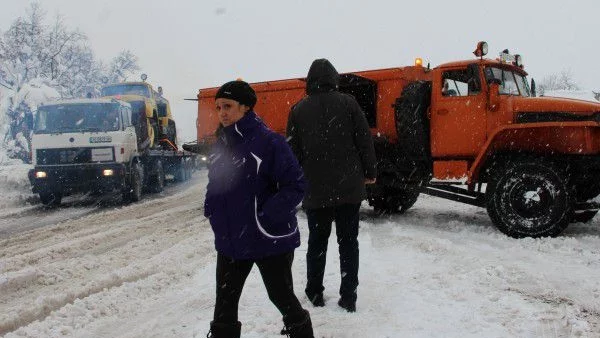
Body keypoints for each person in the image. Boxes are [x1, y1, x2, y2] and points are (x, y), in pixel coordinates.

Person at [204, 80, 314, 338]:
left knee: (282, 297)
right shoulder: (221, 145)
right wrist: (212, 209)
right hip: (231, 238)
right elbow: (215, 184)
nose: (222, 112)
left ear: (245, 107)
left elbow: (296, 185)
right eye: (218, 107)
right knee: (224, 306)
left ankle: (302, 332)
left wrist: (266, 216)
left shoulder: (269, 142)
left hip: (268, 238)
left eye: (228, 106)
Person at [286, 59, 377, 313]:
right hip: (349, 188)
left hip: (315, 190)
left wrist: (296, 182)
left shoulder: (298, 110)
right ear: (333, 79)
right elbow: (364, 140)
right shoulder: (349, 103)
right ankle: (349, 296)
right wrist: (370, 172)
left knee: (317, 242)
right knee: (349, 242)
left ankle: (314, 292)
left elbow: (292, 152)